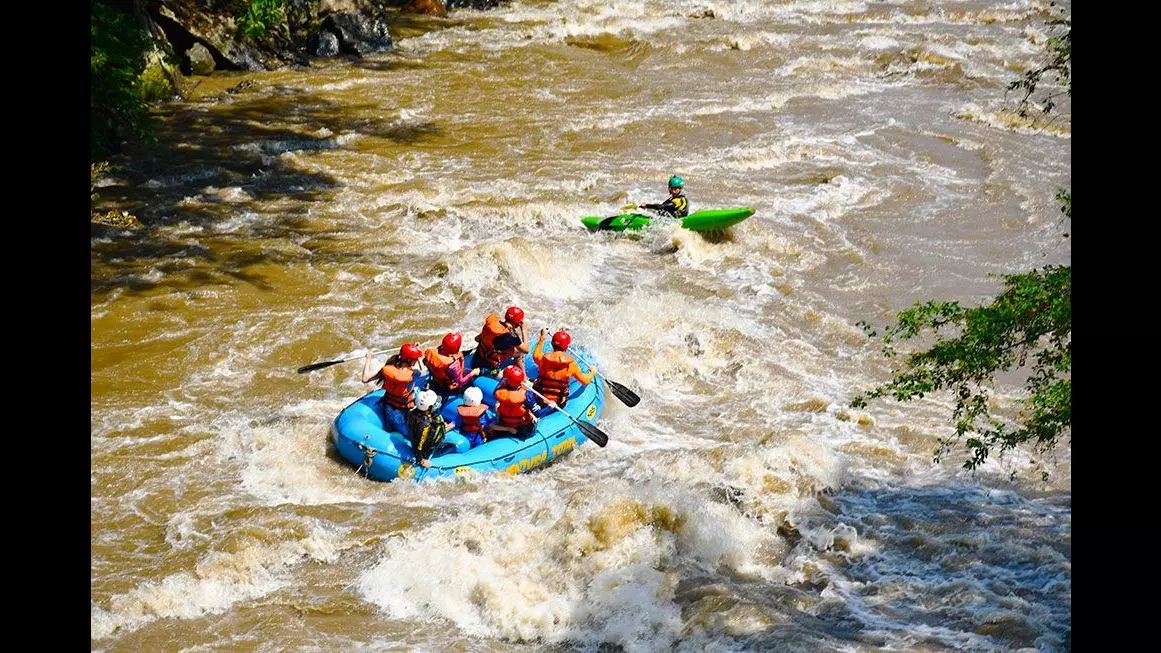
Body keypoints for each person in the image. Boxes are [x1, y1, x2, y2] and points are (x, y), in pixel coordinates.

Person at [362, 343, 425, 436]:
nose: (416, 361)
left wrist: (368, 359)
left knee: (392, 429)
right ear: (409, 360)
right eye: (415, 359)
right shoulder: (414, 374)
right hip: (403, 411)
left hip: (388, 408)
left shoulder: (387, 369)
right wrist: (419, 356)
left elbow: (365, 379)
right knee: (412, 434)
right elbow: (423, 372)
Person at [531, 328, 596, 410]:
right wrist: (592, 372)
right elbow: (585, 381)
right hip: (557, 403)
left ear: (552, 343)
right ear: (566, 347)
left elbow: (536, 355)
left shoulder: (543, 359)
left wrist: (542, 338)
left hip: (538, 400)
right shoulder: (571, 365)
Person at [471, 306, 530, 374]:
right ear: (519, 323)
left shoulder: (492, 324)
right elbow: (526, 350)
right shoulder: (512, 337)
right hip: (489, 368)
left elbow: (477, 339)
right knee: (519, 353)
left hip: (475, 360)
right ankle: (524, 377)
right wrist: (524, 330)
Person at [405, 389, 453, 468]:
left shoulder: (414, 412)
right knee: (453, 447)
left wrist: (443, 427)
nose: (436, 404)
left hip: (420, 437)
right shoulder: (425, 426)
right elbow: (419, 445)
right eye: (434, 404)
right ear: (429, 407)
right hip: (427, 449)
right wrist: (421, 460)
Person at [424, 332, 480, 399]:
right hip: (449, 387)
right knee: (473, 376)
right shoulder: (454, 365)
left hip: (437, 380)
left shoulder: (435, 352)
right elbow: (461, 382)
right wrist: (473, 373)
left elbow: (424, 361)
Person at [488, 365, 538, 439]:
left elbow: (497, 389)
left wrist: (506, 378)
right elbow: (538, 413)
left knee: (497, 405)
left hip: (507, 425)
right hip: (522, 429)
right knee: (533, 416)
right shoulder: (526, 395)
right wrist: (550, 406)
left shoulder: (500, 392)